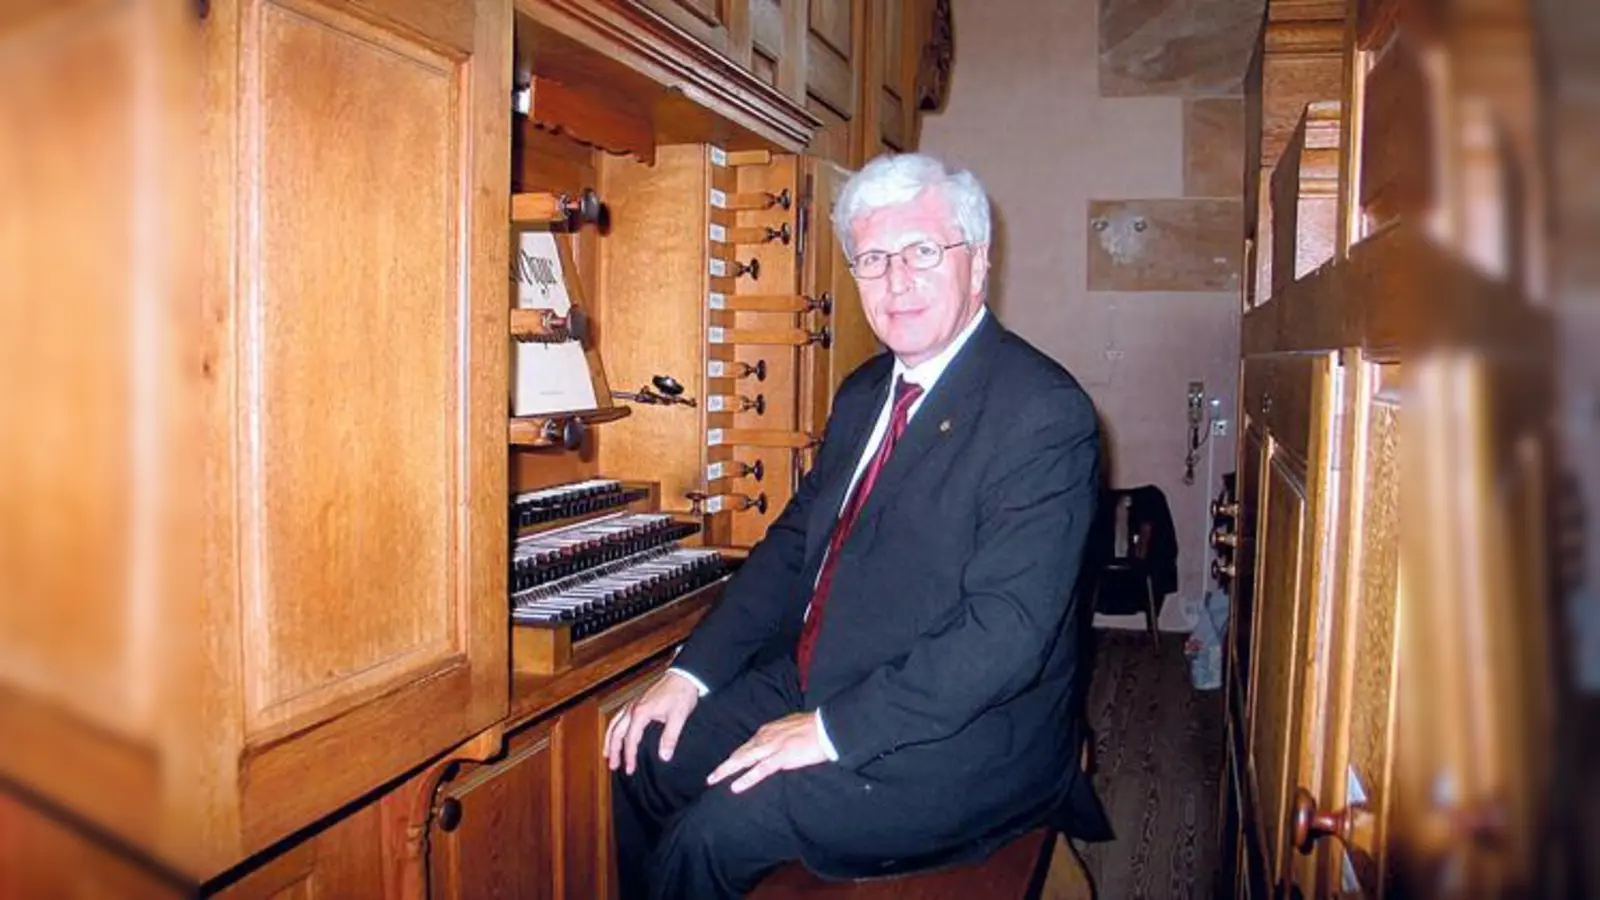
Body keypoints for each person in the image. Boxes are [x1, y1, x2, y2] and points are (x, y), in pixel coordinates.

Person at [606, 152, 1111, 899]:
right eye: (872, 258)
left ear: (978, 265)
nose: (896, 281)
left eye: (922, 252)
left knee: (709, 836)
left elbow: (1004, 634)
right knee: (642, 753)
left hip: (959, 737)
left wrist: (830, 728)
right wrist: (692, 671)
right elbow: (789, 549)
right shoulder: (866, 391)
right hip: (825, 675)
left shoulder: (1041, 413)